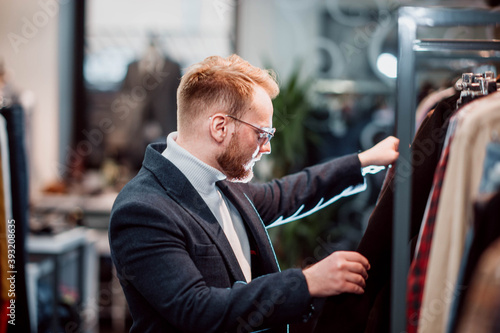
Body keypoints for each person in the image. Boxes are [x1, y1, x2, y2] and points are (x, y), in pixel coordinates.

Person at [108, 54, 399, 333]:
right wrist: (307, 282)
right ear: (220, 127)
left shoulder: (222, 183)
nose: (267, 147)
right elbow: (197, 310)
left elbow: (288, 194)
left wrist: (365, 161)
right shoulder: (143, 209)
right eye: (261, 134)